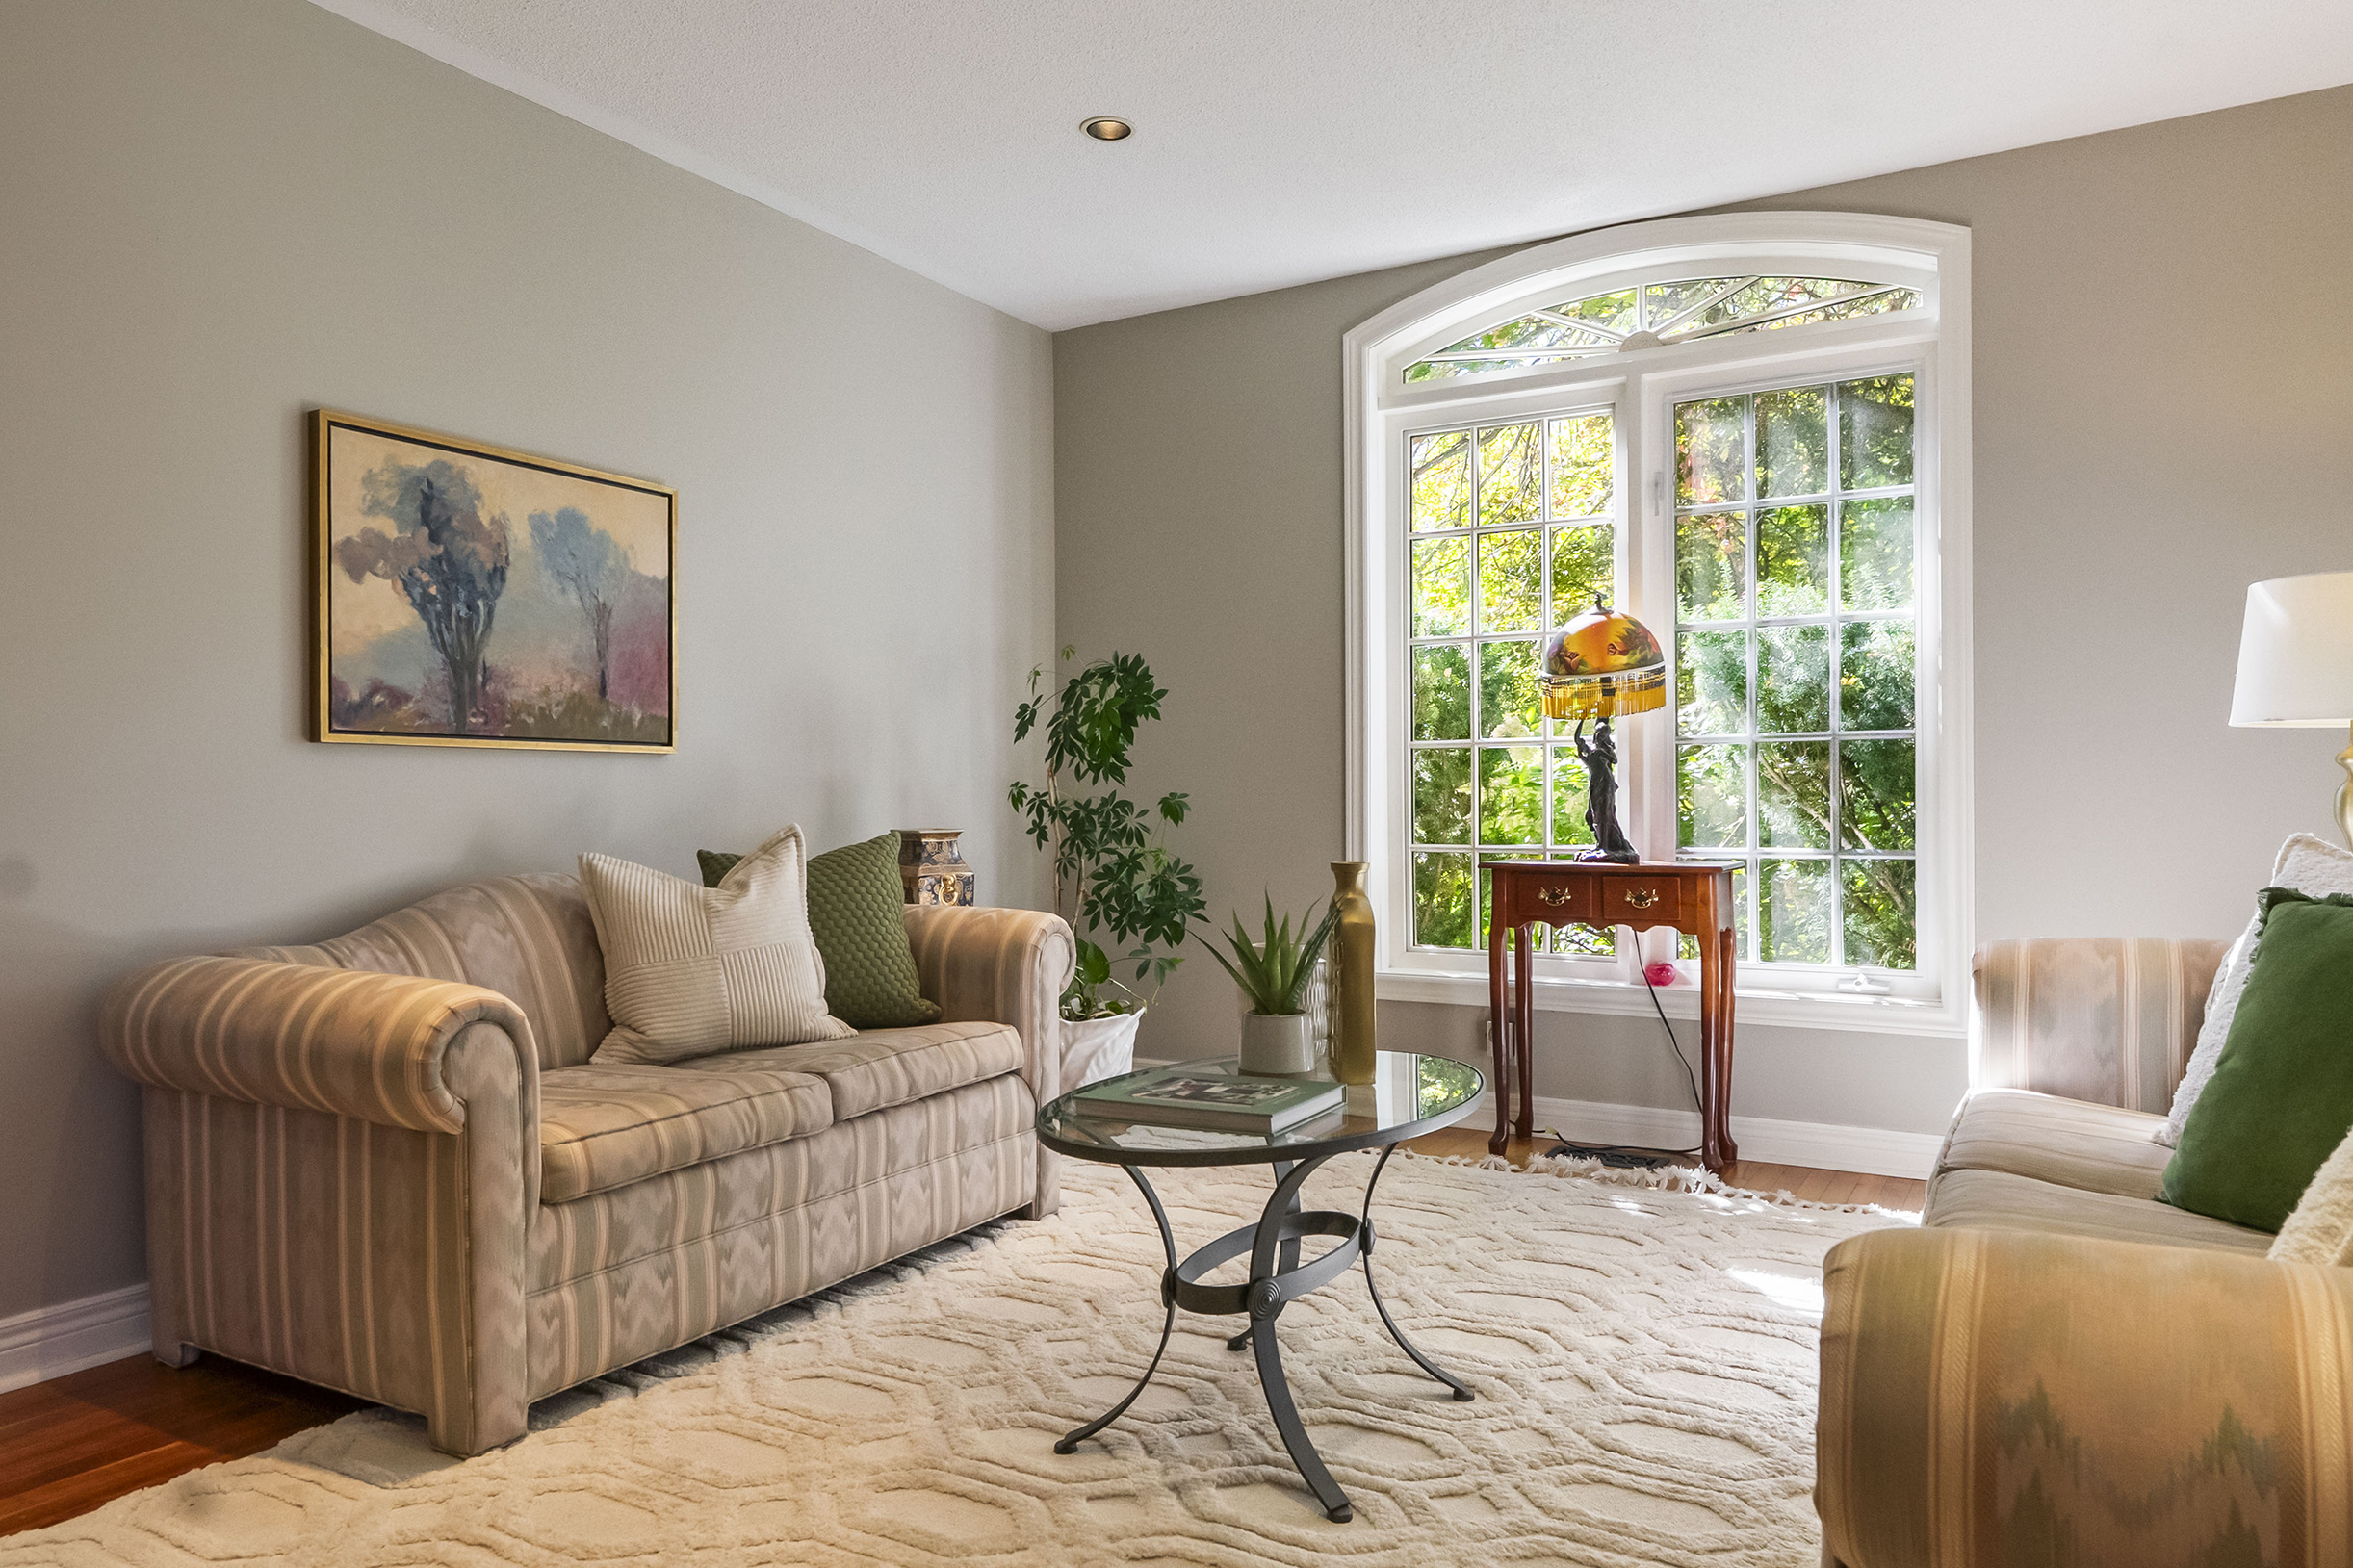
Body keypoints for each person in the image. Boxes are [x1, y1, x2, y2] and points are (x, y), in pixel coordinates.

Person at [1573, 718, 1638, 861]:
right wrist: (1581, 722)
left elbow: (1613, 760)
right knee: (1594, 813)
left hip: (1605, 784)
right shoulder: (1593, 752)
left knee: (1604, 812)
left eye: (1602, 734)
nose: (1598, 736)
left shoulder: (1605, 751)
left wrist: (1598, 752)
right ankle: (1601, 843)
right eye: (1598, 733)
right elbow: (1581, 747)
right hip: (1595, 784)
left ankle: (1605, 844)